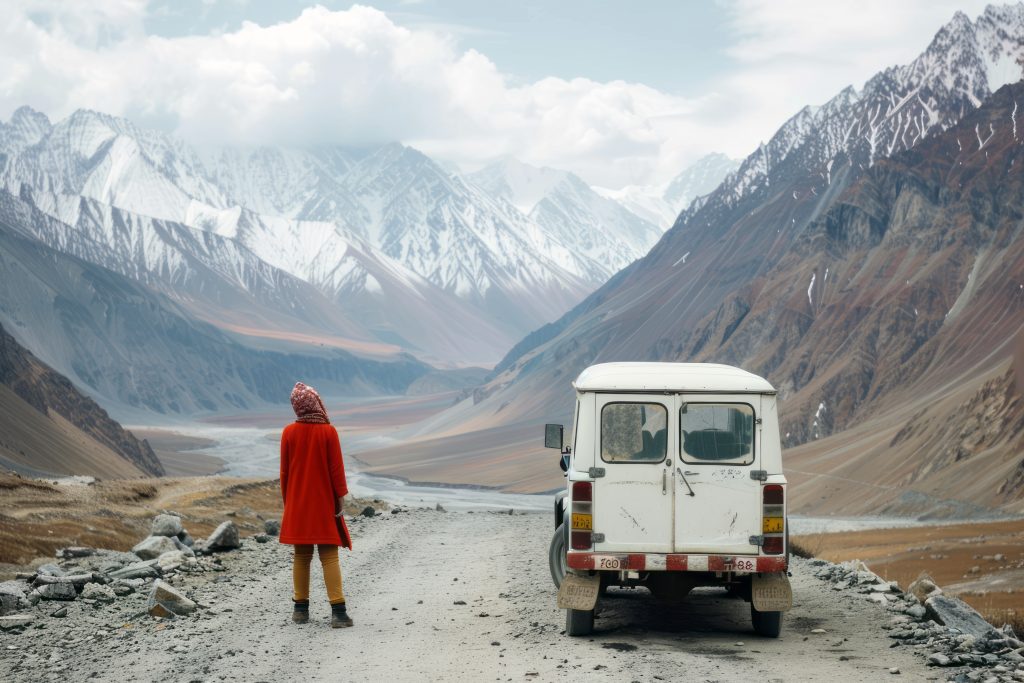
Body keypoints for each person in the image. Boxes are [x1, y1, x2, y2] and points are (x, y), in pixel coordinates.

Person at [279, 381, 353, 628]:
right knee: (329, 556)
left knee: (301, 557)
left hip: (298, 504)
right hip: (323, 504)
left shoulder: (288, 433)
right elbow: (336, 470)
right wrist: (340, 496)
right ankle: (338, 612)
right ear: (316, 404)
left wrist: (289, 503)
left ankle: (300, 611)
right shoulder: (328, 432)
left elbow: (285, 473)